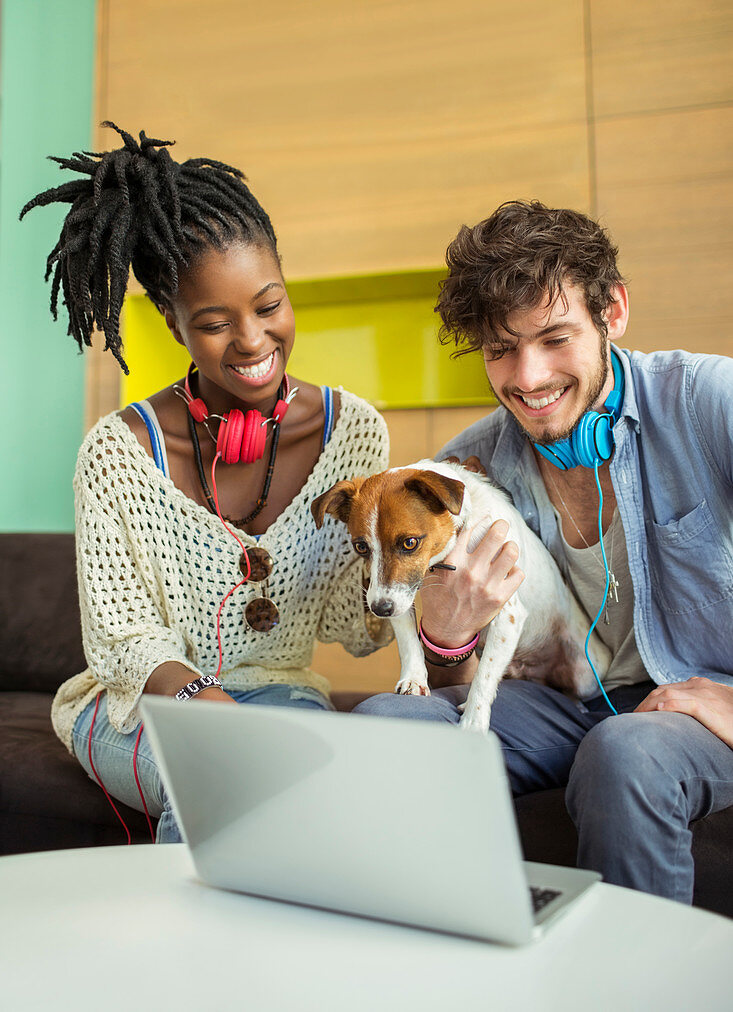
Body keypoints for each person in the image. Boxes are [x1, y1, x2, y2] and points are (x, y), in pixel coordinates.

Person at [354, 200, 733, 904]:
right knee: (386, 724)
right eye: (499, 350)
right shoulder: (462, 474)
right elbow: (448, 679)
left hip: (695, 710)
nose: (526, 379)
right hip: (563, 703)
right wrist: (442, 635)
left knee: (623, 753)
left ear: (611, 311)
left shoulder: (709, 401)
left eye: (554, 338)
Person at [21, 123, 390, 843]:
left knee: (285, 786)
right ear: (172, 322)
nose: (253, 342)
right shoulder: (115, 453)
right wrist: (198, 697)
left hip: (283, 692)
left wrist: (432, 587)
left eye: (268, 305)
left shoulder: (354, 432)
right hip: (135, 706)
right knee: (219, 772)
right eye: (216, 323)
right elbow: (123, 641)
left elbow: (354, 623)